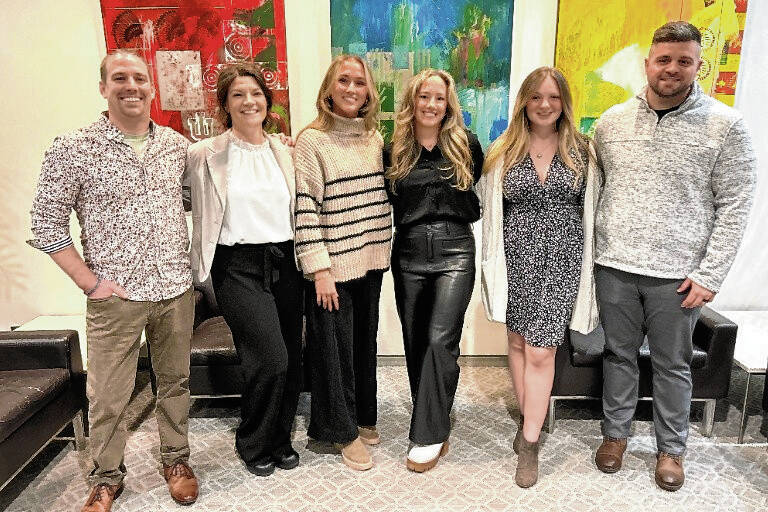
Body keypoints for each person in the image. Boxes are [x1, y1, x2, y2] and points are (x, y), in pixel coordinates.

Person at [28, 50, 198, 512]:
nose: (132, 86)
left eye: (140, 78)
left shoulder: (176, 147)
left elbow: (192, 200)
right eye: (120, 78)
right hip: (114, 297)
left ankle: (176, 460)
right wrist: (90, 282)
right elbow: (45, 223)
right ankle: (106, 478)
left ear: (152, 88)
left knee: (175, 382)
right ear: (103, 87)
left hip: (175, 288)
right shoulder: (73, 148)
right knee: (107, 396)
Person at [592, 21, 756, 491]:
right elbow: (597, 190)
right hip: (615, 267)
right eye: (663, 59)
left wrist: (710, 275)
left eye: (684, 61)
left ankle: (671, 449)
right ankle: (615, 435)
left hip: (679, 278)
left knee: (672, 366)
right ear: (647, 63)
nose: (672, 69)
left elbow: (736, 205)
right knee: (618, 356)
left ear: (698, 65)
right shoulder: (610, 123)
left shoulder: (726, 126)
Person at [479, 66, 600, 487]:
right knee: (516, 342)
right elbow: (487, 206)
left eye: (553, 96)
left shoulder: (584, 151)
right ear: (524, 102)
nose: (544, 104)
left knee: (541, 351)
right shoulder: (504, 149)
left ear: (564, 102)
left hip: (563, 261)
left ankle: (530, 441)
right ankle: (527, 413)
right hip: (515, 260)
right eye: (536, 96)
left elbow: (595, 207)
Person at [185, 63, 304, 477]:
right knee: (269, 358)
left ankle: (281, 438)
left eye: (255, 93)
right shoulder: (203, 154)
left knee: (291, 357)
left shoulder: (285, 151)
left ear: (267, 102)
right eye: (237, 94)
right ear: (225, 105)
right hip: (235, 267)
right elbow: (179, 199)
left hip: (286, 261)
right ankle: (252, 439)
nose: (248, 101)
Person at [293, 54, 392, 471]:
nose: (352, 89)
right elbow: (305, 209)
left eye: (359, 82)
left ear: (369, 91)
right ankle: (341, 430)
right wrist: (319, 270)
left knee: (363, 345)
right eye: (344, 81)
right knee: (332, 354)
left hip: (371, 259)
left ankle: (363, 416)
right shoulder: (311, 141)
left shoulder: (374, 137)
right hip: (331, 268)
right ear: (329, 89)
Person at [383, 68, 483, 472]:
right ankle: (434, 411)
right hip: (408, 251)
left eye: (439, 98)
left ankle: (428, 434)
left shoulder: (466, 144)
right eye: (424, 96)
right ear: (413, 101)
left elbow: (477, 185)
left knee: (441, 340)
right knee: (416, 340)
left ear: (448, 104)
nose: (431, 104)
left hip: (455, 248)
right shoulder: (394, 149)